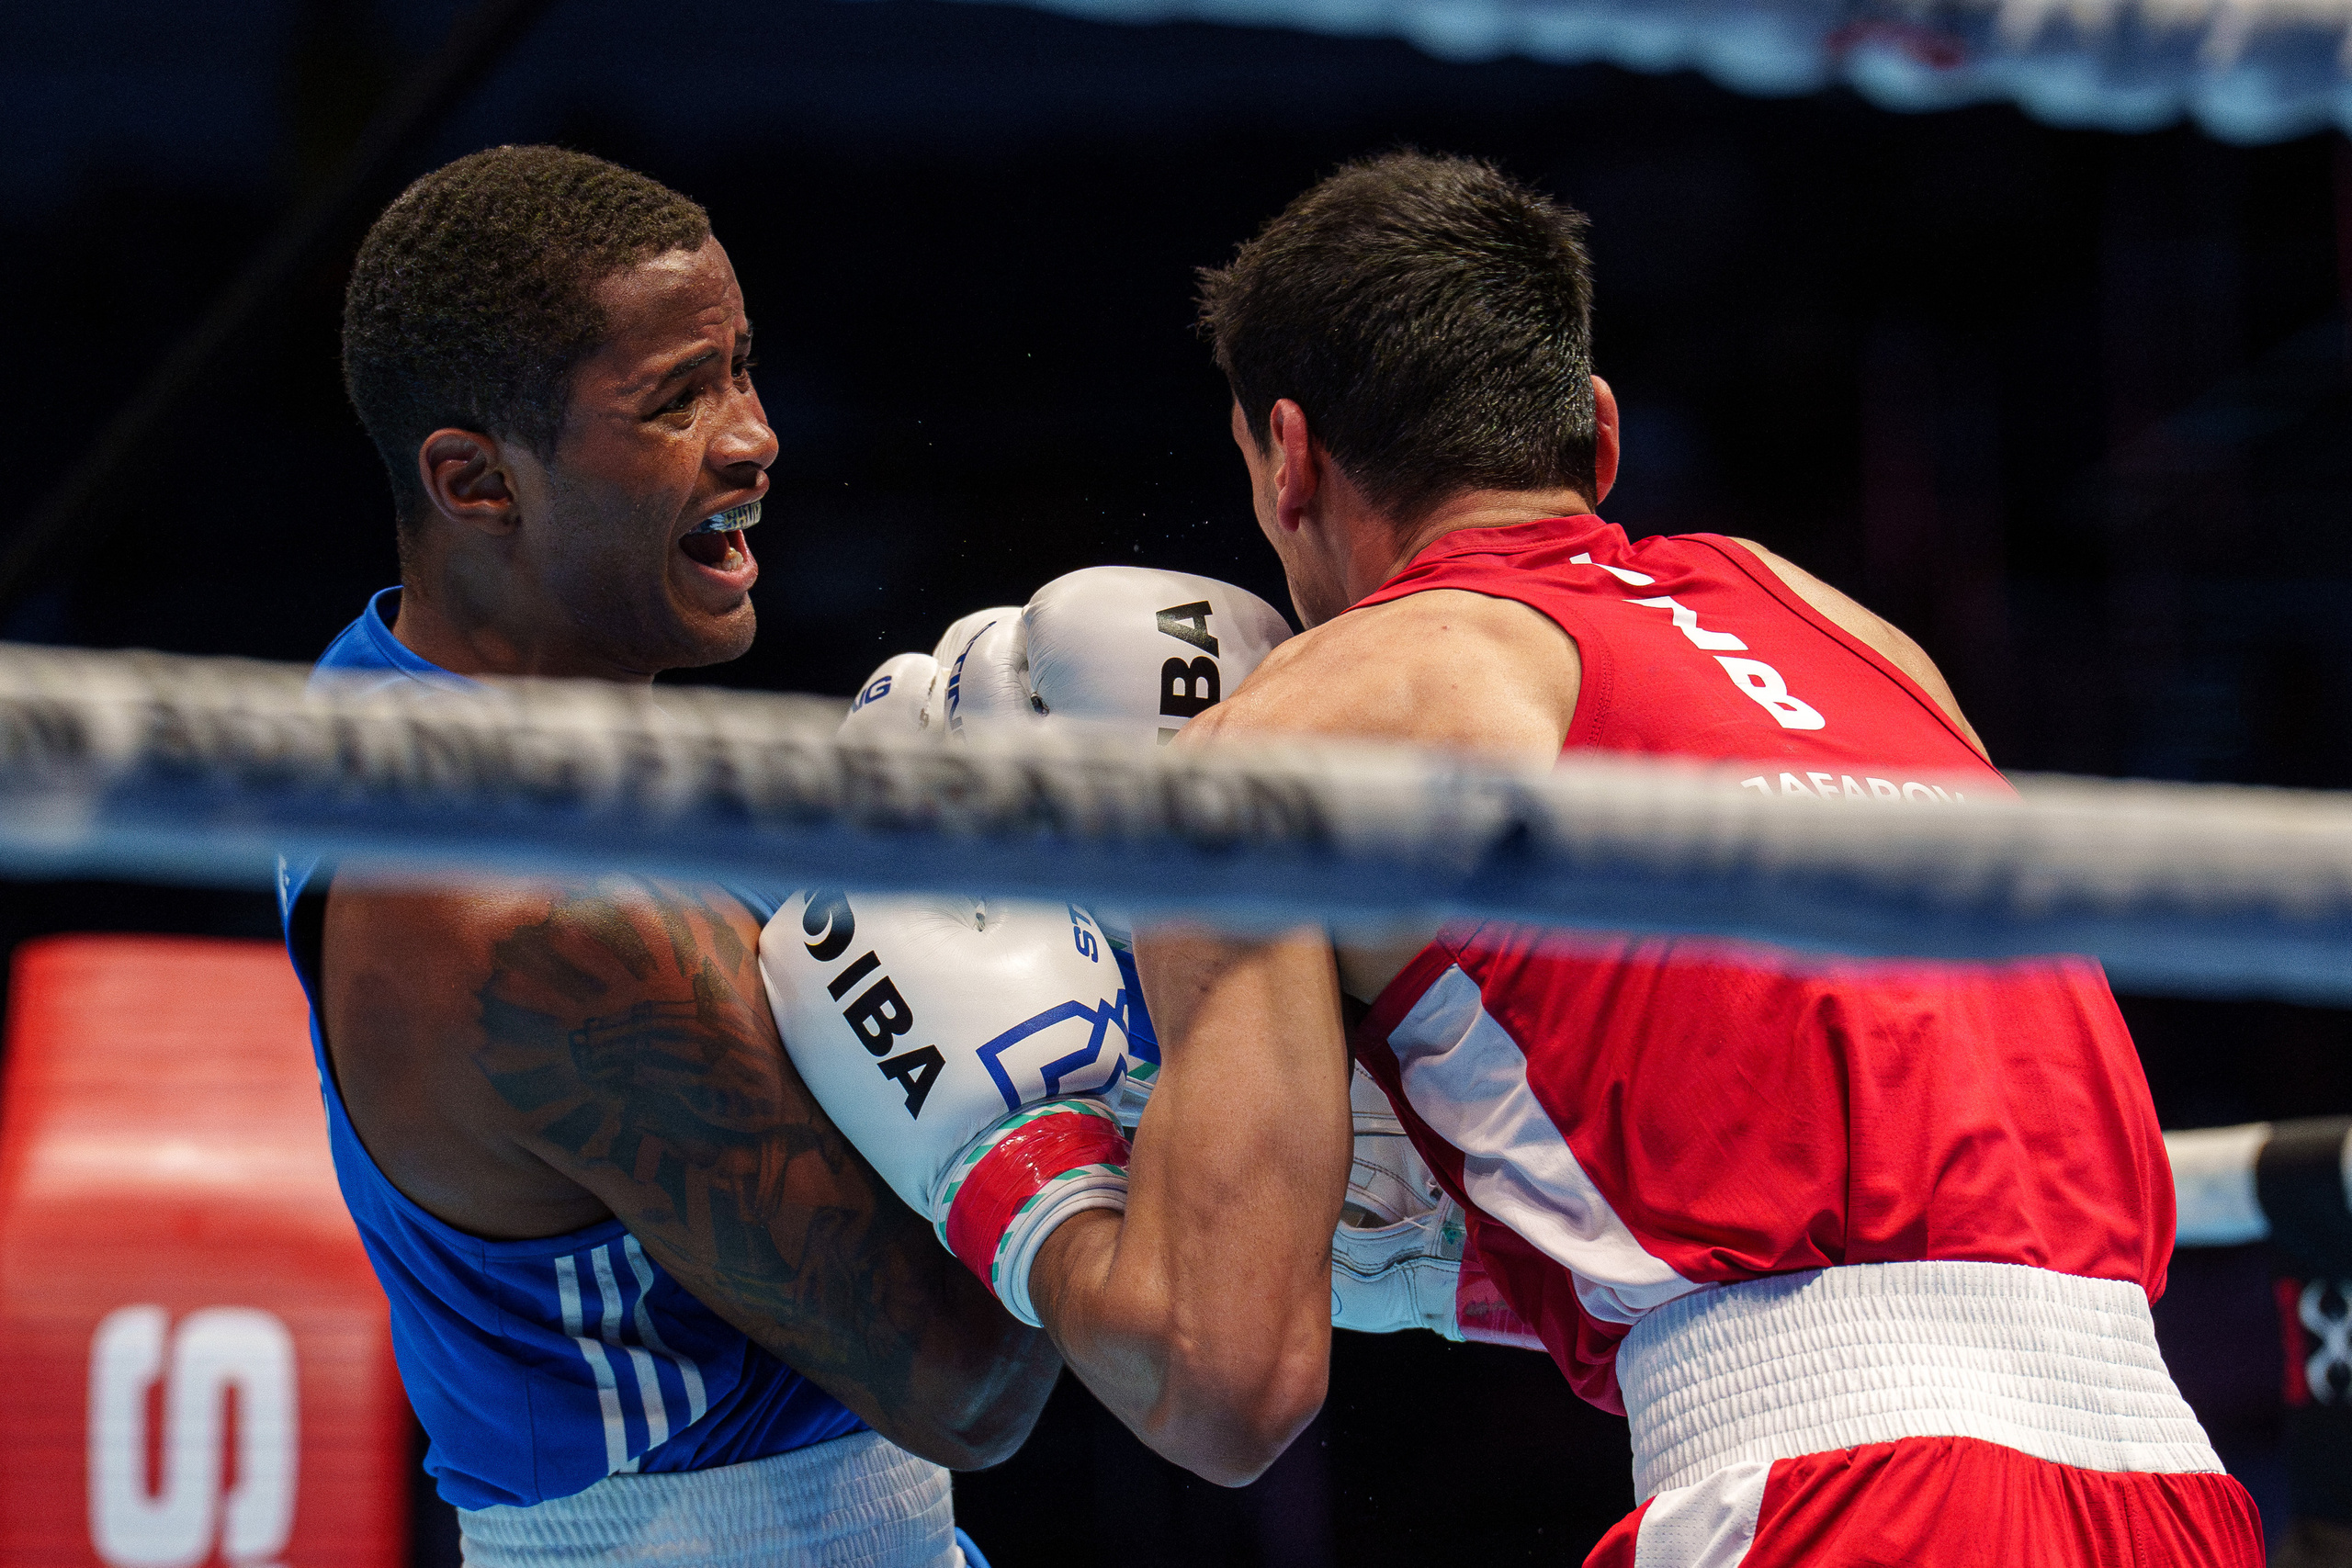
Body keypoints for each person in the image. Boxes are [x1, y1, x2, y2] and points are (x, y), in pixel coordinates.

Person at [771, 152, 2265, 1564]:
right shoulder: (1853, 637)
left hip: (1833, 1504)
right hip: (2178, 1484)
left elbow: (1222, 1386)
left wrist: (1010, 1162)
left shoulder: (1304, 726)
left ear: (1287, 458)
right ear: (1598, 434)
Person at [279, 145, 1055, 1568]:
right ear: (475, 481)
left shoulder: (395, 687)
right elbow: (974, 1386)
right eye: (676, 397)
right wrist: (1114, 988)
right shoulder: (536, 912)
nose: (753, 436)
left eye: (742, 368)